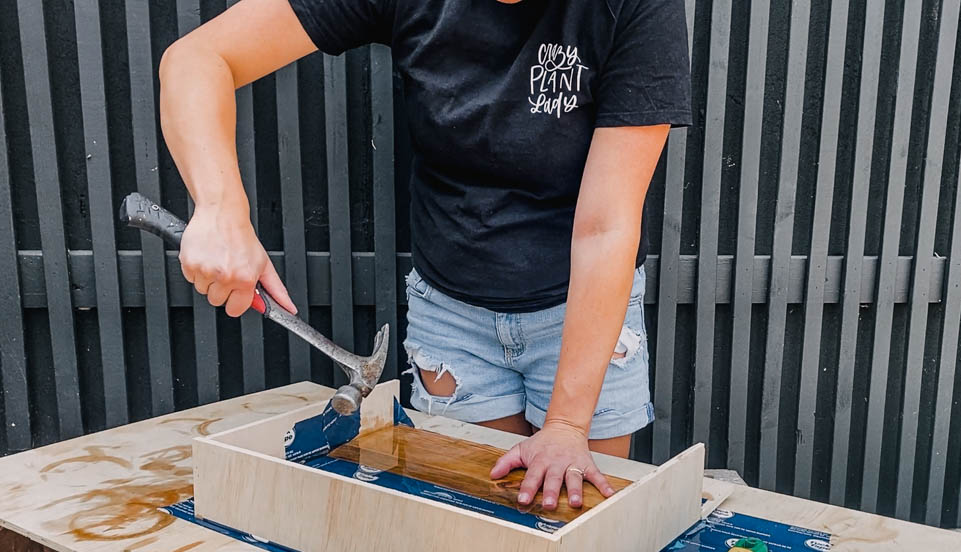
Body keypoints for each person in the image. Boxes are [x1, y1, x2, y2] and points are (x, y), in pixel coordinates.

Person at [159, 0, 691, 513]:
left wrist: (570, 425)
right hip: (454, 318)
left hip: (584, 310)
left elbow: (606, 227)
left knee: (572, 530)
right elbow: (197, 58)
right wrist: (219, 205)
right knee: (482, 529)